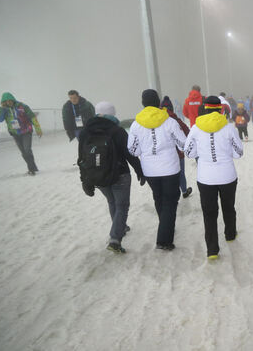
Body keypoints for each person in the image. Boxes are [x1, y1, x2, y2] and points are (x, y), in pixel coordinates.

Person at [78, 101, 144, 253]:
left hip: (97, 176)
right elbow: (130, 154)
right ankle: (115, 239)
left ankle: (120, 226)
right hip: (120, 174)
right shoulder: (117, 130)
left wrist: (85, 180)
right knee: (122, 205)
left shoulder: (85, 132)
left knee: (112, 201)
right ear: (112, 114)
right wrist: (140, 171)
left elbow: (82, 158)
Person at [184, 96, 243, 260]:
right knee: (228, 207)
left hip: (205, 178)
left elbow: (188, 152)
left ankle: (212, 250)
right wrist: (226, 153)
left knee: (209, 213)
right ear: (220, 109)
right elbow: (239, 152)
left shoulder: (196, 128)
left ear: (205, 108)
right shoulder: (229, 128)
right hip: (227, 176)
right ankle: (230, 234)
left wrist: (201, 154)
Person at [128, 89, 187, 251]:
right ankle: (164, 239)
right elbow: (183, 144)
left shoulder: (136, 124)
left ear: (142, 103)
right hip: (170, 168)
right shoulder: (169, 121)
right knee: (170, 201)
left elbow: (133, 150)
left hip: (150, 170)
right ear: (158, 102)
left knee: (159, 198)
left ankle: (165, 225)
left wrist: (146, 150)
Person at [0, 92, 42, 175]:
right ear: (3, 102)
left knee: (27, 150)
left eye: (10, 100)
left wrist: (38, 129)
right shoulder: (4, 109)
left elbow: (32, 116)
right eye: (6, 101)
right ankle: (33, 167)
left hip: (26, 131)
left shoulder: (22, 106)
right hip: (15, 133)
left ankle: (31, 170)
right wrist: (1, 108)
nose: (8, 102)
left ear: (13, 99)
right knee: (24, 152)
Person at [161, 96, 192, 198]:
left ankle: (170, 194)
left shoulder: (157, 120)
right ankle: (184, 191)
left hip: (163, 154)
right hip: (178, 153)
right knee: (180, 173)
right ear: (171, 108)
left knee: (167, 176)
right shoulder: (175, 119)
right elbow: (187, 131)